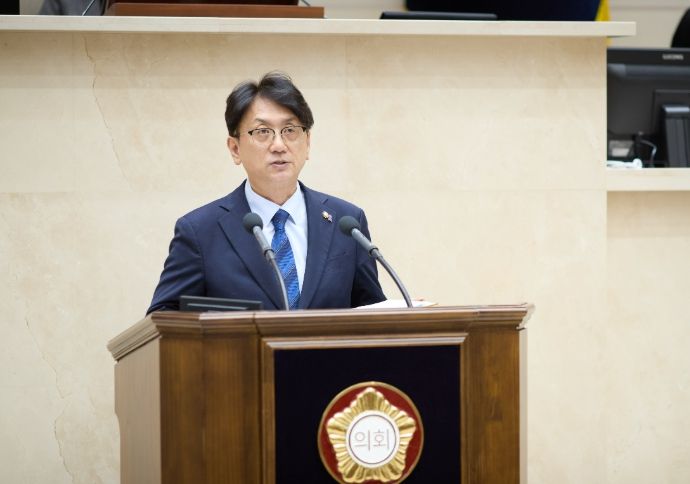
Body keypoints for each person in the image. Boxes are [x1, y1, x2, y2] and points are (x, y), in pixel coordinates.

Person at [147, 72, 386, 313]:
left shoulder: (347, 223)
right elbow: (163, 317)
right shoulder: (200, 232)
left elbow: (372, 315)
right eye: (262, 132)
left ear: (307, 143)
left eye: (290, 130)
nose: (279, 145)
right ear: (235, 148)